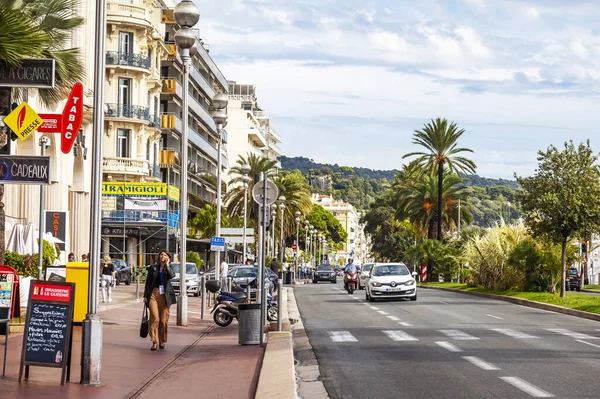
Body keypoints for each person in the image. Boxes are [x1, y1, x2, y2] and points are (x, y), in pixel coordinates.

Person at [143, 250, 176, 351]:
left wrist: (167, 264)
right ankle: (154, 341)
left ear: (168, 257)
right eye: (161, 255)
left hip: (165, 295)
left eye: (164, 255)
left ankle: (162, 341)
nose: (162, 256)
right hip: (153, 293)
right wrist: (145, 296)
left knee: (163, 321)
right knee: (155, 318)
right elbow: (148, 282)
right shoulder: (153, 268)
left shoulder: (169, 268)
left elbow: (171, 276)